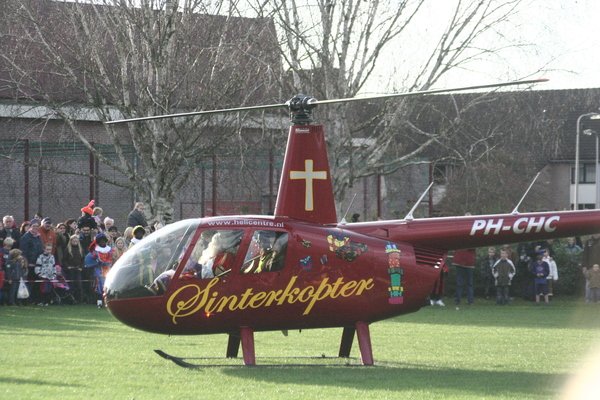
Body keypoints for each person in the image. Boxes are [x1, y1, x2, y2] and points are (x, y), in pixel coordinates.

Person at [85, 233, 114, 308]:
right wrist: (98, 262)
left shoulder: (109, 250)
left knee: (107, 285)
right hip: (98, 270)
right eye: (101, 241)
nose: (103, 242)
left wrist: (107, 263)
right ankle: (99, 303)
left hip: (107, 269)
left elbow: (110, 259)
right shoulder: (95, 251)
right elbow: (91, 260)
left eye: (104, 241)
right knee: (99, 286)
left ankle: (107, 302)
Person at [62, 234, 84, 304]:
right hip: (70, 270)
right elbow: (64, 260)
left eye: (76, 240)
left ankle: (79, 300)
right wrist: (67, 266)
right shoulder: (67, 249)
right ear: (71, 241)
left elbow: (83, 260)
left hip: (78, 269)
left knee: (79, 285)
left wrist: (81, 267)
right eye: (73, 240)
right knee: (71, 285)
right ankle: (71, 300)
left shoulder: (81, 249)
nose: (75, 241)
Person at [582, 234, 600, 303]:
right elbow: (585, 254)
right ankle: (588, 299)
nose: (596, 234)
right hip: (589, 267)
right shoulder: (588, 242)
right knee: (588, 284)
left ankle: (598, 299)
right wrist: (584, 266)